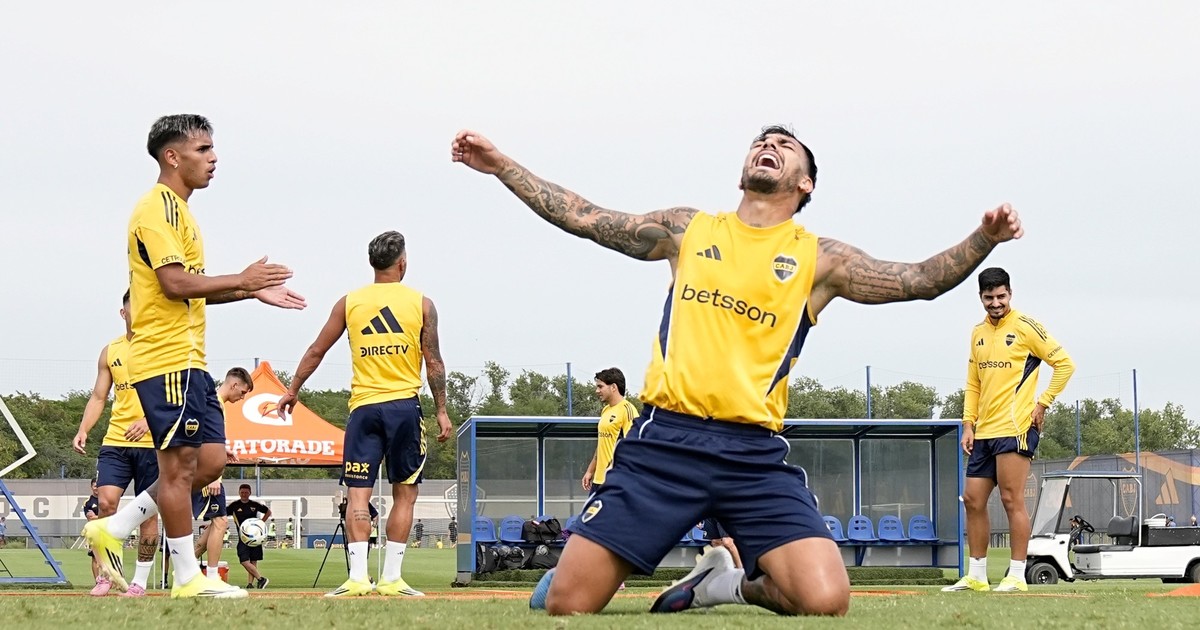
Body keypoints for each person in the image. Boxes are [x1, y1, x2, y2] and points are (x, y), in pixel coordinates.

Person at [452, 126, 1022, 617]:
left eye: (785, 145)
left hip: (751, 455)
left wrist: (985, 238)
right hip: (664, 442)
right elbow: (585, 217)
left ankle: (724, 584)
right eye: (761, 141)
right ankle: (576, 569)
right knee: (566, 604)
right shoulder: (689, 229)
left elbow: (918, 281)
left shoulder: (820, 259)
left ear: (806, 183)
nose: (768, 145)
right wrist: (502, 165)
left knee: (826, 599)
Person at [82, 114, 305, 599]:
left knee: (210, 463)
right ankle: (187, 578)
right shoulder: (155, 208)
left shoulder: (183, 212)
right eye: (203, 149)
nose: (213, 157)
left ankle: (114, 527)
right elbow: (174, 283)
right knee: (180, 469)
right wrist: (242, 279)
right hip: (164, 360)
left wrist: (249, 291)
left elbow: (192, 289)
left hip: (191, 361)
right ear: (172, 156)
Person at [277, 230, 453, 598]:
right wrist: (441, 410)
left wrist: (292, 389)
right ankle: (391, 579)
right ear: (402, 263)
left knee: (358, 495)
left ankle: (358, 577)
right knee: (405, 494)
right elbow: (434, 361)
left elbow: (316, 350)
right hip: (404, 407)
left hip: (364, 409)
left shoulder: (349, 302)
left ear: (372, 264)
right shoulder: (422, 303)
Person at [945, 267, 1075, 593]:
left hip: (1016, 428)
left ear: (1010, 294)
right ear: (981, 297)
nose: (995, 303)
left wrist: (1043, 403)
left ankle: (1016, 576)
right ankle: (977, 576)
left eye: (1001, 296)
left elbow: (1065, 364)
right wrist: (968, 424)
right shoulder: (977, 333)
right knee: (972, 500)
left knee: (1010, 499)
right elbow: (973, 384)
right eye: (989, 297)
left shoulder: (1026, 327)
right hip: (983, 432)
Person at [72, 289, 160, 597]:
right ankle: (108, 574)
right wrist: (83, 428)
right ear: (123, 313)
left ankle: (139, 583)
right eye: (135, 307)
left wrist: (149, 421)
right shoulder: (110, 351)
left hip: (153, 444)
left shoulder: (162, 349)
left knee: (148, 513)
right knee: (106, 503)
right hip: (116, 441)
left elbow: (175, 397)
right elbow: (99, 396)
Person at [193, 368, 254, 580]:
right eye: (243, 392)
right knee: (220, 522)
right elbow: (201, 437)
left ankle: (188, 567)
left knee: (217, 523)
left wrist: (222, 450)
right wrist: (214, 477)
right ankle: (211, 577)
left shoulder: (215, 403)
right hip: (206, 474)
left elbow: (207, 437)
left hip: (205, 471)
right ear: (234, 384)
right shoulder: (214, 403)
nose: (242, 397)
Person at [582, 368, 639, 493]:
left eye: (600, 387)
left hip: (615, 481)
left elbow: (633, 448)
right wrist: (590, 471)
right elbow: (602, 444)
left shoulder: (628, 410)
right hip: (598, 480)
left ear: (613, 387)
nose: (597, 391)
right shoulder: (606, 410)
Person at [227, 484, 272, 589]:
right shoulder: (234, 505)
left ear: (250, 493)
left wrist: (261, 523)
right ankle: (261, 579)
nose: (244, 494)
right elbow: (222, 514)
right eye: (242, 492)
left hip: (255, 538)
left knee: (253, 560)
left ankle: (250, 584)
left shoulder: (254, 504)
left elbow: (268, 512)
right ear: (239, 493)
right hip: (243, 538)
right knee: (244, 561)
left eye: (246, 492)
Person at [83, 480, 102, 588]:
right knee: (95, 557)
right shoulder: (88, 502)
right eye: (95, 486)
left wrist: (97, 516)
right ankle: (97, 582)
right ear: (91, 487)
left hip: (107, 531)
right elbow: (90, 518)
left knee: (108, 557)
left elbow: (112, 515)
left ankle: (109, 580)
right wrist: (104, 516)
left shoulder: (106, 498)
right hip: (95, 531)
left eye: (98, 486)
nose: (96, 488)